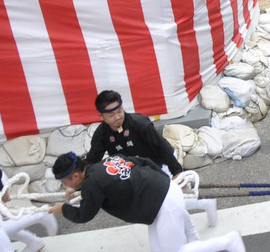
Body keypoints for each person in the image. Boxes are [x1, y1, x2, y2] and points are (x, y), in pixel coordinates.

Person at [50, 153, 244, 252]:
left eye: (65, 182)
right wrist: (163, 180)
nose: (65, 185)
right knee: (159, 249)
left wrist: (63, 209)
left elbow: (84, 215)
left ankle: (229, 241)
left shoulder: (92, 185)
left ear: (76, 176)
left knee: (174, 251)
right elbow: (142, 160)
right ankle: (195, 241)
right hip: (164, 192)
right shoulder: (106, 162)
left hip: (162, 203)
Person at [85, 92, 218, 224]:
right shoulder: (101, 134)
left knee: (166, 202)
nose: (117, 117)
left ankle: (203, 206)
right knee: (158, 204)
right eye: (111, 115)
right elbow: (92, 159)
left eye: (119, 111)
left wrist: (177, 172)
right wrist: (80, 182)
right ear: (101, 116)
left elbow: (162, 147)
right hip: (136, 173)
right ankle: (204, 204)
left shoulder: (139, 123)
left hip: (160, 164)